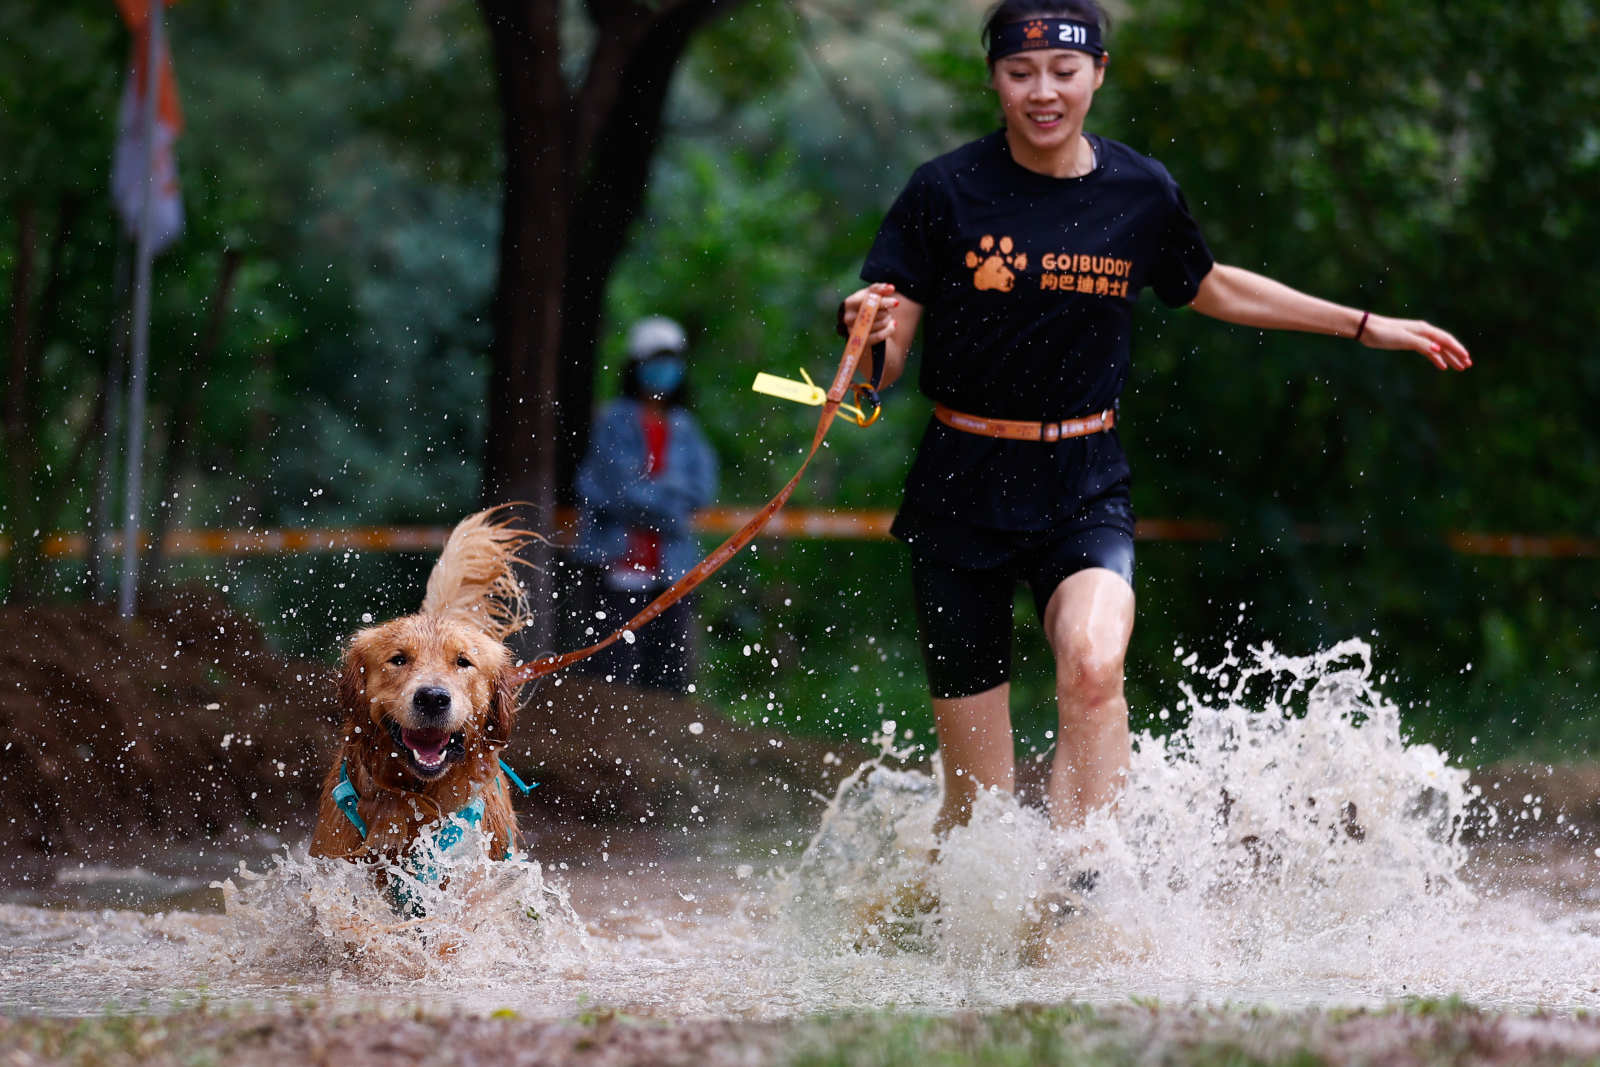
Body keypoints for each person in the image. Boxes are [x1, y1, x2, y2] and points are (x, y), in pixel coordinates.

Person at [839, 0, 1471, 841]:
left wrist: (1363, 323)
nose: (1043, 92)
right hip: (961, 486)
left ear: (1098, 72)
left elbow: (1213, 285)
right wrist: (868, 337)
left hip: (1083, 479)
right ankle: (926, 918)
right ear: (994, 78)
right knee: (974, 812)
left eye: (1064, 72)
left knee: (1095, 666)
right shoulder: (944, 192)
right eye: (1021, 73)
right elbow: (884, 363)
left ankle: (1089, 893)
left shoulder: (1140, 191)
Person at [574, 316, 719, 693]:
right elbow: (619, 491)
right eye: (656, 360)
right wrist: (670, 504)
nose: (664, 371)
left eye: (672, 360)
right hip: (616, 569)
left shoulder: (685, 427)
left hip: (671, 572)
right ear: (636, 365)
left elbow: (702, 489)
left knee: (669, 679)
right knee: (613, 677)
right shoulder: (614, 422)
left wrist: (650, 494)